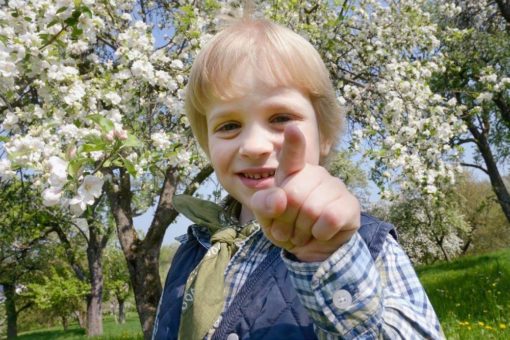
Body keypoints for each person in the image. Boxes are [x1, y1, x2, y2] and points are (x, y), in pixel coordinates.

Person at [153, 7, 444, 340]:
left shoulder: (361, 242)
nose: (253, 145)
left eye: (280, 117)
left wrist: (329, 261)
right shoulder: (192, 251)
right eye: (229, 125)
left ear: (326, 134)